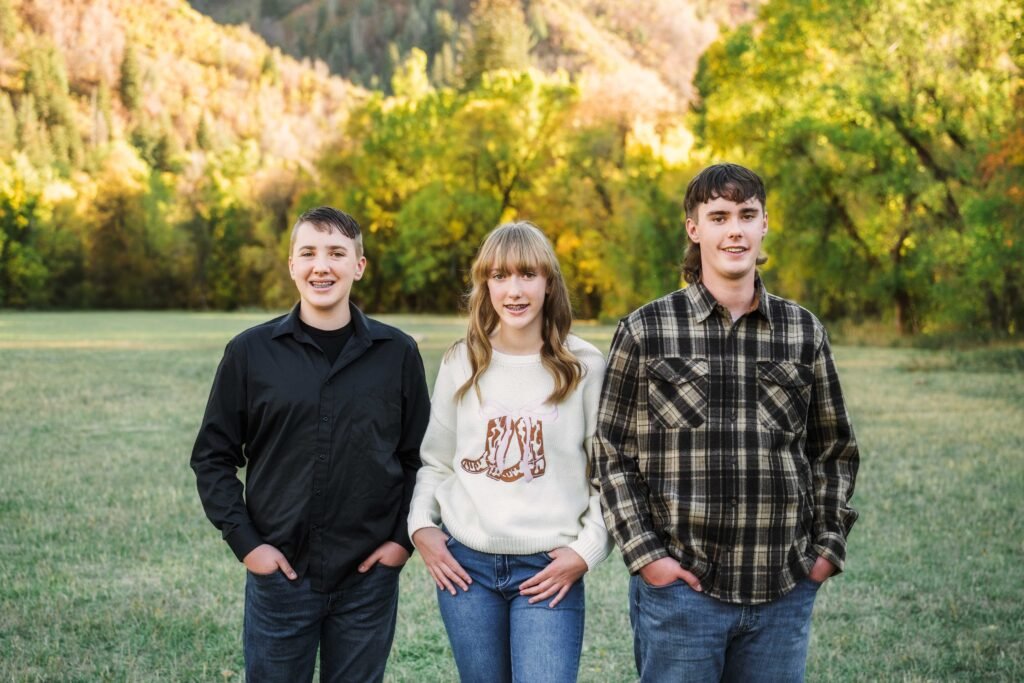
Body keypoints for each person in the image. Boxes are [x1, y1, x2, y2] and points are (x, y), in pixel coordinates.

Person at [592, 163, 860, 682]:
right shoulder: (647, 330)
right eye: (718, 216)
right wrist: (648, 557)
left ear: (764, 226)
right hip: (682, 591)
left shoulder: (803, 332)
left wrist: (827, 546)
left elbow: (833, 450)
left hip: (781, 588)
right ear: (694, 229)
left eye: (746, 215)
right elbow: (610, 452)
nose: (733, 229)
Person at [190, 206, 430, 682]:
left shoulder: (397, 354)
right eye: (309, 253)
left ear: (359, 266)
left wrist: (401, 543)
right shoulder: (250, 353)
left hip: (368, 577)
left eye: (337, 253)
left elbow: (420, 459)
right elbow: (213, 457)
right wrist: (247, 544)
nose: (323, 266)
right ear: (293, 265)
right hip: (280, 574)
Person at [407, 221, 612, 683]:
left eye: (527, 275)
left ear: (548, 283)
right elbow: (436, 460)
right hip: (468, 568)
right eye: (499, 276)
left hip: (547, 569)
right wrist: (422, 525)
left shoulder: (584, 367)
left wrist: (588, 548)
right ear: (485, 284)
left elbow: (607, 475)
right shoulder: (462, 360)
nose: (514, 291)